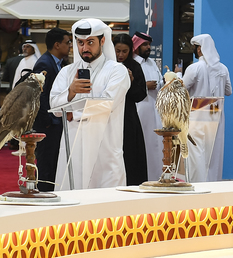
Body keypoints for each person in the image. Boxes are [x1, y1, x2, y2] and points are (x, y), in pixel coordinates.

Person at [50, 18, 130, 189]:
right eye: (80, 43)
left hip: (104, 146)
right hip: (74, 146)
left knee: (105, 205)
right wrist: (70, 92)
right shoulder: (67, 72)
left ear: (102, 41)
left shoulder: (117, 71)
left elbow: (107, 104)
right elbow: (54, 107)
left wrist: (72, 111)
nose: (84, 48)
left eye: (90, 42)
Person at [180, 34, 232, 182]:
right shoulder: (223, 69)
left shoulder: (195, 67)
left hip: (196, 115)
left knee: (197, 151)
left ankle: (197, 183)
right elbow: (228, 91)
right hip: (216, 114)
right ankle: (213, 183)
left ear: (199, 50)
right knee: (215, 152)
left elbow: (182, 89)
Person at [31, 28, 71, 191]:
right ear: (57, 45)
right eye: (67, 42)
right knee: (46, 161)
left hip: (56, 122)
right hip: (48, 124)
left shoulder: (60, 63)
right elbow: (38, 95)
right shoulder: (44, 63)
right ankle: (43, 193)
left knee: (55, 160)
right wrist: (47, 121)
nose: (70, 46)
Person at [113, 33, 148, 186]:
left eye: (124, 51)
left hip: (128, 116)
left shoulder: (135, 67)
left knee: (131, 154)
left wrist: (131, 82)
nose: (120, 55)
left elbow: (140, 95)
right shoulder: (107, 65)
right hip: (109, 115)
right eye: (117, 51)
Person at [133, 31, 165, 180]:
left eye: (149, 44)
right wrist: (145, 86)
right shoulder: (132, 63)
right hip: (140, 109)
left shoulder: (152, 63)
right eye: (144, 44)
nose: (148, 47)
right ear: (137, 45)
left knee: (155, 145)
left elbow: (159, 80)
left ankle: (155, 177)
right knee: (143, 144)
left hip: (155, 109)